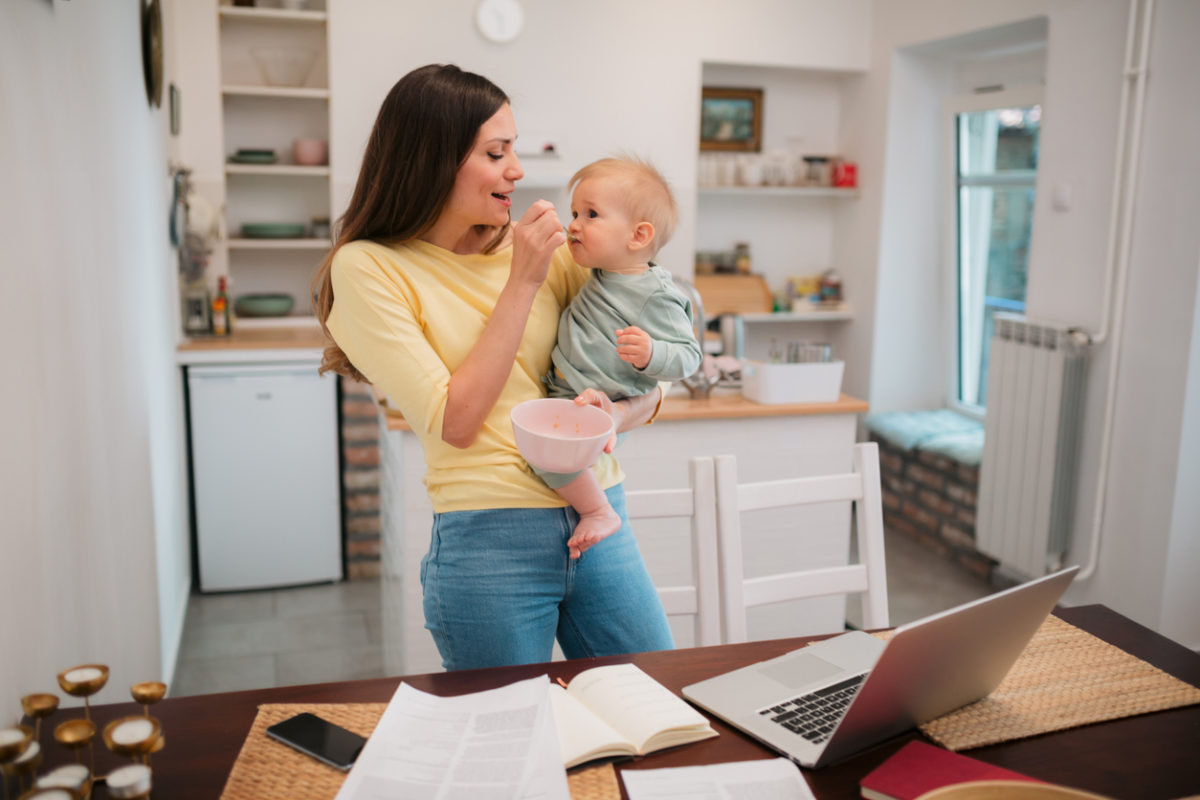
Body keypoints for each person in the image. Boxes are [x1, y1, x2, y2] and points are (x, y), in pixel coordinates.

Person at [311, 64, 675, 671]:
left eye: (514, 150)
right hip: (490, 537)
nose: (517, 170)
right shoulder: (370, 268)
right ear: (434, 159)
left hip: (601, 514)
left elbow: (655, 384)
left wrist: (617, 414)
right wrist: (522, 280)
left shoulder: (546, 249)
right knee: (510, 721)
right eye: (496, 152)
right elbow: (456, 422)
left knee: (656, 698)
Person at [536, 157, 702, 558]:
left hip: (599, 403)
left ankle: (598, 512)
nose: (574, 225)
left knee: (547, 455)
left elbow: (690, 356)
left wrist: (651, 354)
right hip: (575, 391)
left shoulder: (655, 294)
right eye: (575, 213)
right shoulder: (606, 270)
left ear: (638, 235)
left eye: (591, 214)